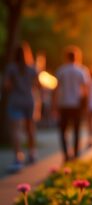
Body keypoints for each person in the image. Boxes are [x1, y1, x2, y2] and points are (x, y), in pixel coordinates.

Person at [4, 42, 41, 172]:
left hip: (15, 100)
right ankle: (32, 153)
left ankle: (18, 157)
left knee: (16, 130)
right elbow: (38, 85)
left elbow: (6, 85)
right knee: (30, 128)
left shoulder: (11, 68)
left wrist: (15, 86)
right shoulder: (32, 68)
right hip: (29, 100)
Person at [53, 46, 88, 162]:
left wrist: (54, 105)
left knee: (63, 130)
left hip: (64, 104)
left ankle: (66, 154)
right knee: (77, 130)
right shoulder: (81, 71)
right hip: (76, 104)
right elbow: (85, 89)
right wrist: (84, 103)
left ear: (66, 57)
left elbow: (56, 89)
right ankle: (76, 153)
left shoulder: (61, 70)